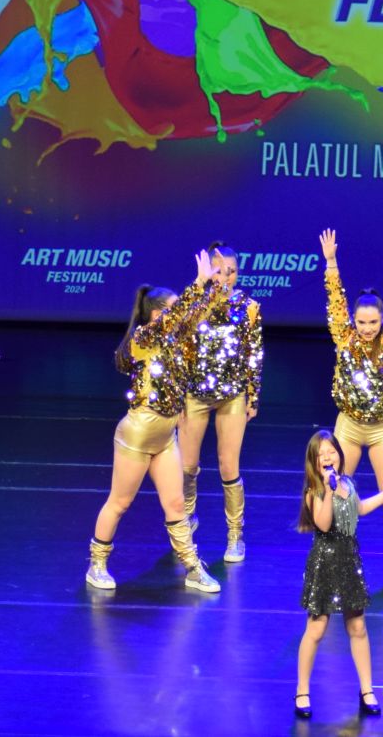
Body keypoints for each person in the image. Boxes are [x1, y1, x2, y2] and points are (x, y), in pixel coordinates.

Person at [85, 250, 224, 593]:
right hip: (137, 434)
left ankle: (192, 568)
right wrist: (198, 283)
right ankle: (96, 565)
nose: (180, 313)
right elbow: (180, 314)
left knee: (176, 504)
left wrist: (214, 286)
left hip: (165, 437)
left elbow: (196, 313)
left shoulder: (175, 339)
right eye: (173, 308)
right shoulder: (143, 338)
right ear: (159, 313)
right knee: (120, 502)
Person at [317, 227, 383, 586]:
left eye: (373, 322)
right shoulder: (343, 337)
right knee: (335, 495)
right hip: (347, 427)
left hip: (381, 430)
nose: (366, 328)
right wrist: (331, 261)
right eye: (361, 322)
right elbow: (334, 297)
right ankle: (332, 562)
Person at [294, 430, 383, 719]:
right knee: (316, 629)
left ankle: (366, 690)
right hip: (325, 563)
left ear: (339, 454)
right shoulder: (314, 491)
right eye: (321, 454)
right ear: (314, 462)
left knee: (358, 627)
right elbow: (324, 524)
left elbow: (358, 509)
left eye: (331, 451)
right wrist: (328, 491)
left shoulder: (347, 483)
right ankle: (302, 690)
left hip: (349, 561)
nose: (328, 457)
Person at [177, 242, 263, 563]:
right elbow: (179, 344)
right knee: (187, 466)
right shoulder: (194, 304)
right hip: (195, 393)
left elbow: (254, 353)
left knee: (229, 465)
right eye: (219, 271)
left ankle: (235, 534)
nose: (225, 277)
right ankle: (185, 523)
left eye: (232, 271)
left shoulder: (249, 307)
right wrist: (177, 394)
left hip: (232, 395)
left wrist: (253, 395)